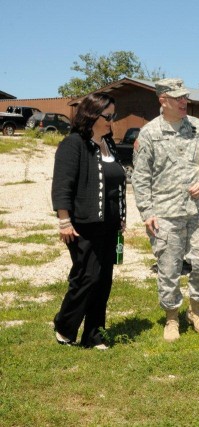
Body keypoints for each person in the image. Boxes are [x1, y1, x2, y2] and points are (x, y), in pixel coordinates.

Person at [132, 78, 199, 342]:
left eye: (185, 97)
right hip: (165, 213)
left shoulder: (198, 129)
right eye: (178, 98)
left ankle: (195, 309)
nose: (185, 102)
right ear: (163, 100)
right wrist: (147, 213)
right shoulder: (149, 133)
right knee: (169, 268)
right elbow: (140, 176)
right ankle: (171, 318)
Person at [51, 92, 126, 350]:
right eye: (108, 116)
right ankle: (64, 325)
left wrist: (121, 217)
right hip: (84, 224)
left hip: (109, 225)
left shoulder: (109, 144)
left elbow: (117, 186)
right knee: (87, 277)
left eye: (113, 115)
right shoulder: (73, 144)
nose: (111, 121)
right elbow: (63, 185)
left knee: (104, 280)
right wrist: (64, 220)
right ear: (92, 115)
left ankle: (94, 335)